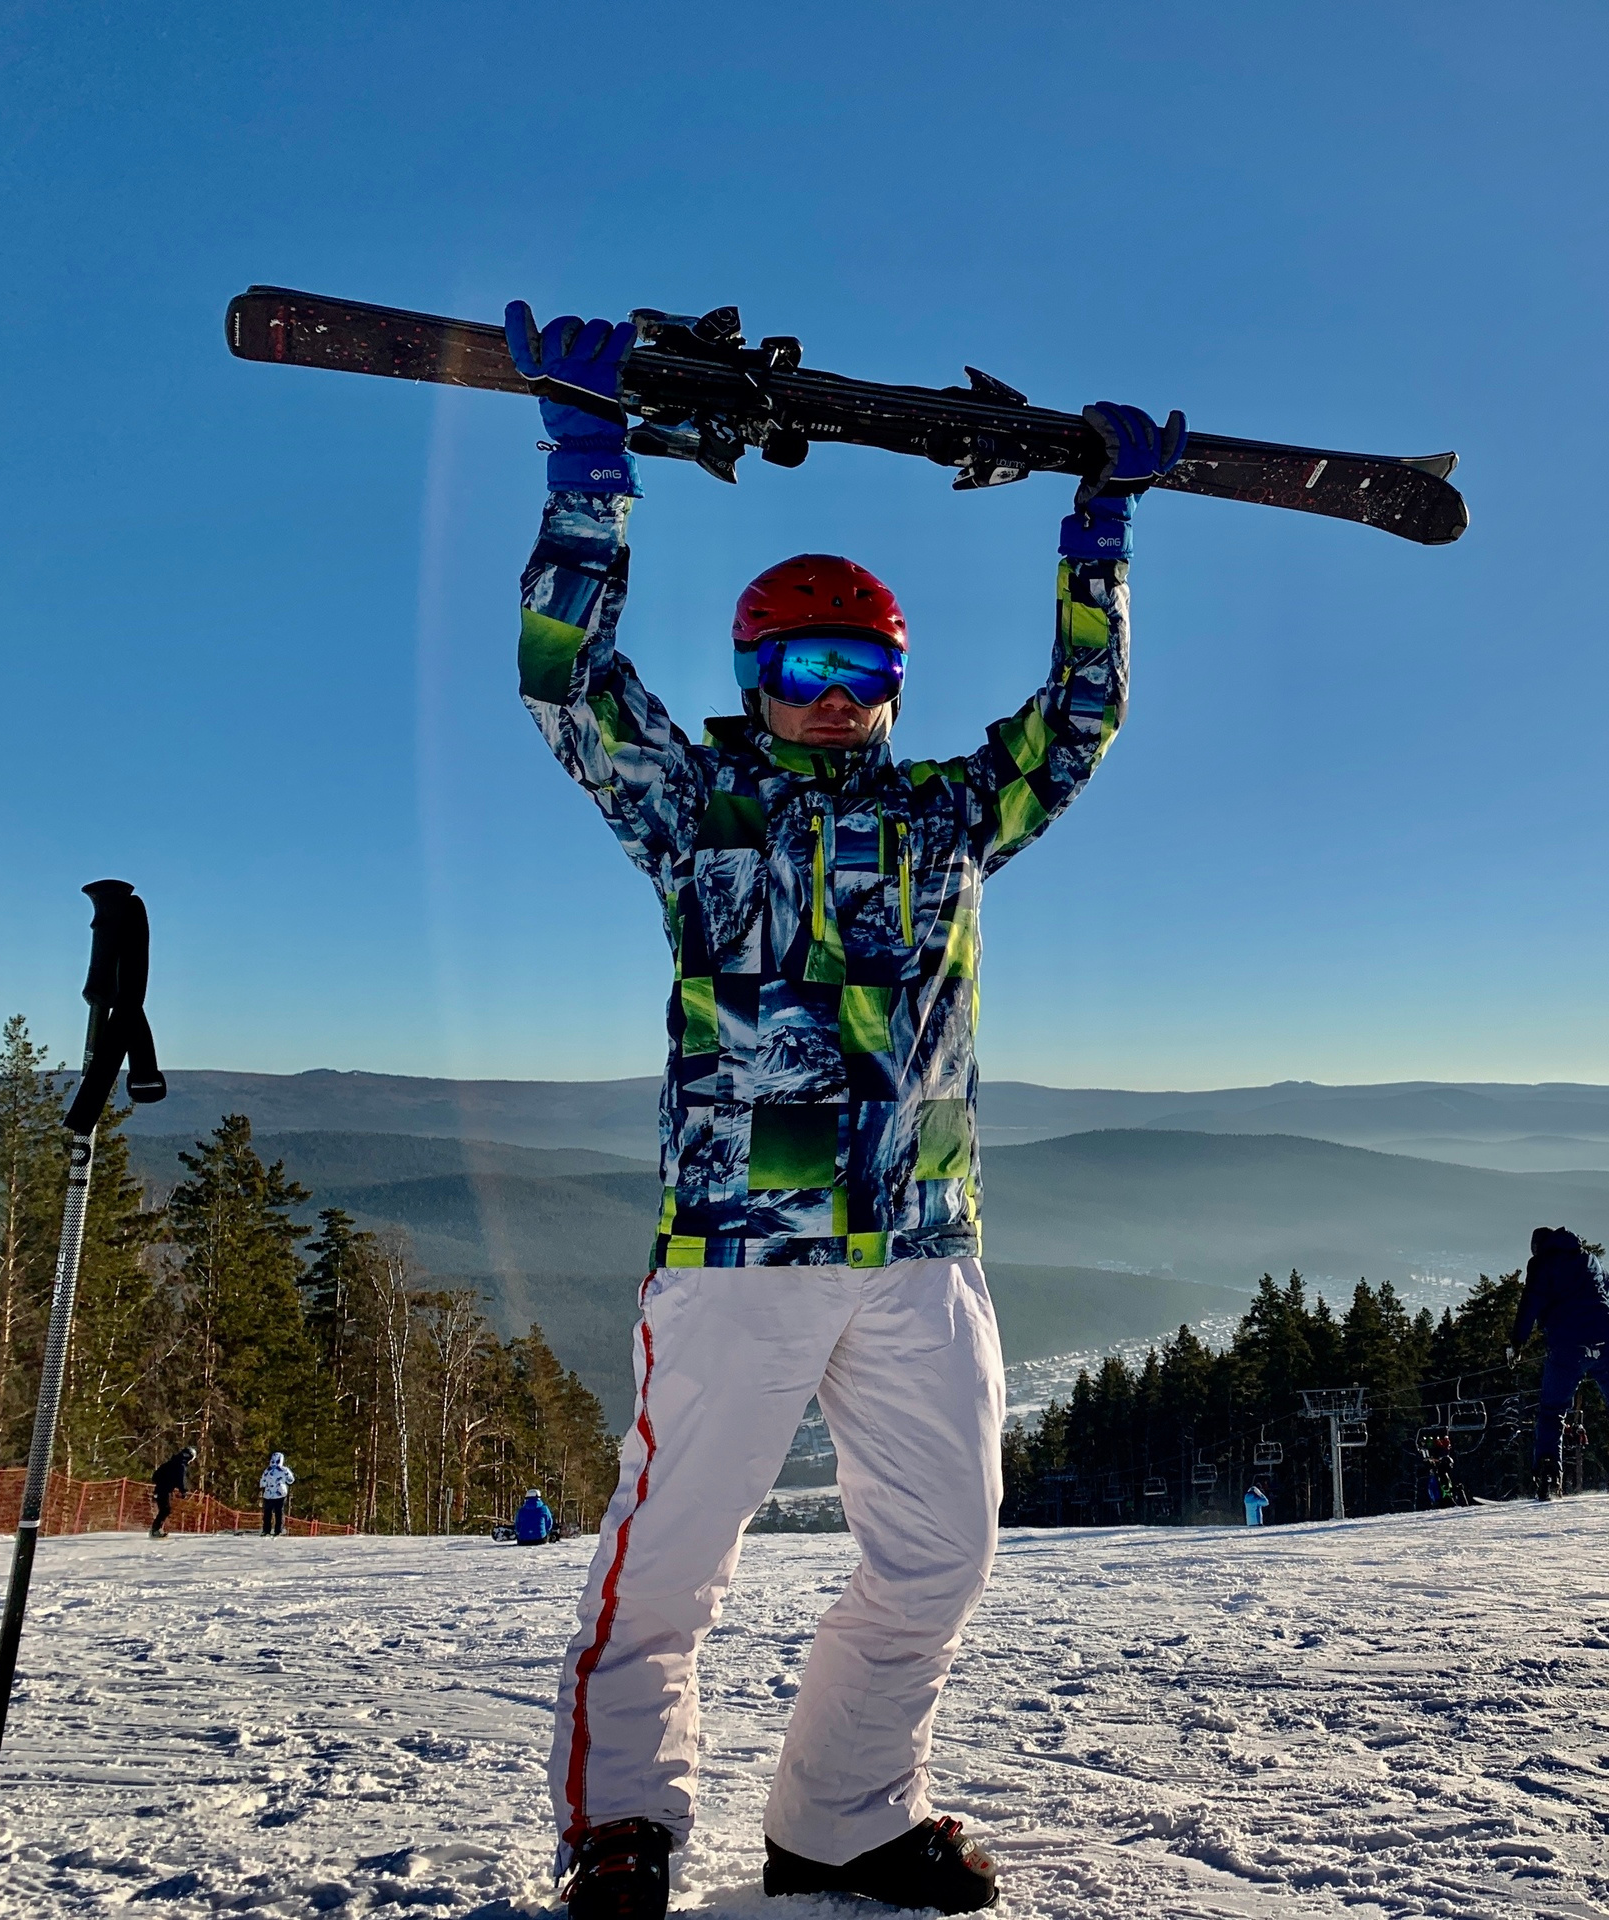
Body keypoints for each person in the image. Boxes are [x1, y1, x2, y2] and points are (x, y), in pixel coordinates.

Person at [503, 303, 1183, 1920]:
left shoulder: (952, 817)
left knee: (944, 1553)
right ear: (756, 679)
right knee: (670, 1560)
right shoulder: (696, 808)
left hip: (924, 1245)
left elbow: (1077, 727)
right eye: (802, 667)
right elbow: (566, 686)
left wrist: (1098, 546)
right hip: (740, 1245)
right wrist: (589, 482)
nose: (832, 694)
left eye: (860, 667)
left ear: (892, 684)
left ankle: (844, 1818)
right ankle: (623, 1826)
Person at [1507, 1227, 1609, 1498]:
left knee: (1552, 1412)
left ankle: (1549, 1473)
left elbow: (1530, 1303)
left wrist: (1517, 1342)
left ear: (1538, 1248)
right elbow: (1606, 1283)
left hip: (1567, 1347)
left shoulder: (1541, 1265)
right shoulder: (1588, 1258)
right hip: (1605, 1341)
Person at [149, 1445, 194, 1539]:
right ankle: (155, 1530)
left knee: (164, 1509)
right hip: (165, 1490)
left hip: (160, 1489)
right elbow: (180, 1479)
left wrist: (161, 1482)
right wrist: (183, 1491)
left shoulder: (171, 1462)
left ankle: (156, 1529)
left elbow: (155, 1476)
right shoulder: (181, 1465)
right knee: (165, 1510)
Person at [257, 1452, 294, 1536]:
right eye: (273, 1460)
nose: (274, 1463)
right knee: (267, 1513)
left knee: (278, 1513)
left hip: (280, 1494)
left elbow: (291, 1480)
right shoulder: (268, 1470)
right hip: (268, 1495)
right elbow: (262, 1482)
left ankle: (278, 1530)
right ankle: (266, 1530)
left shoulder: (284, 1470)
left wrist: (285, 1475)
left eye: (277, 1461)